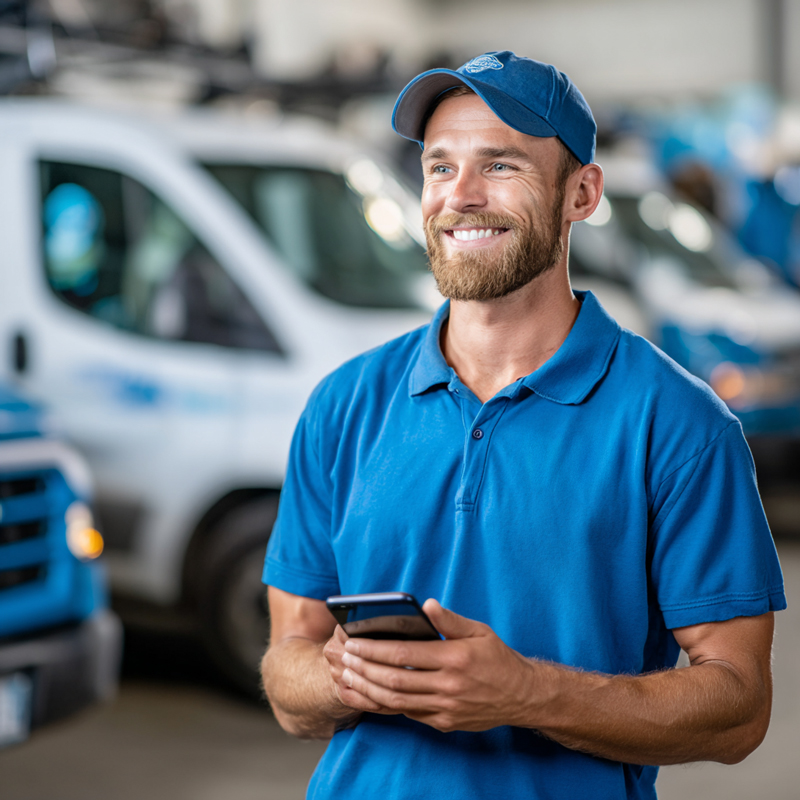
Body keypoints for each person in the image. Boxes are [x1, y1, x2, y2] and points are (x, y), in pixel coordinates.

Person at [260, 51, 786, 800]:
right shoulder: (344, 405)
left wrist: (526, 693)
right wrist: (347, 676)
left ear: (582, 193)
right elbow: (289, 672)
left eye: (500, 165)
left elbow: (738, 707)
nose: (461, 196)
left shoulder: (680, 426)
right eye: (440, 168)